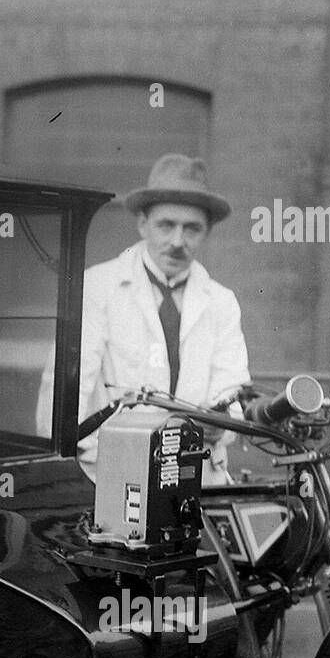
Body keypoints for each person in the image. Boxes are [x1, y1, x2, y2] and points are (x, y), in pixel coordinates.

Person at [40, 153, 250, 483]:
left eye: (192, 228)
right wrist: (69, 476)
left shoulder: (221, 302)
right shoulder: (97, 288)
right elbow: (63, 399)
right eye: (166, 225)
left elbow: (234, 396)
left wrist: (221, 423)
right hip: (110, 477)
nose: (177, 242)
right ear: (142, 224)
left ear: (207, 232)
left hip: (195, 478)